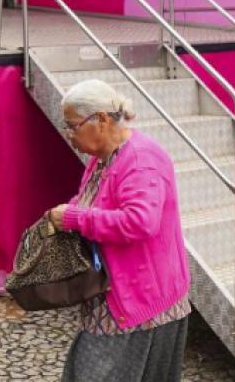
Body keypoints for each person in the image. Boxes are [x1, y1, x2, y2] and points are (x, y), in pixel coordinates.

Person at [50, 79, 191, 382]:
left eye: (73, 126)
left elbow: (140, 221)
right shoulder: (102, 159)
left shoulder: (141, 160)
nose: (69, 134)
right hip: (113, 295)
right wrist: (66, 215)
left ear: (101, 119)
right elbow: (90, 200)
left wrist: (74, 218)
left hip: (141, 302)